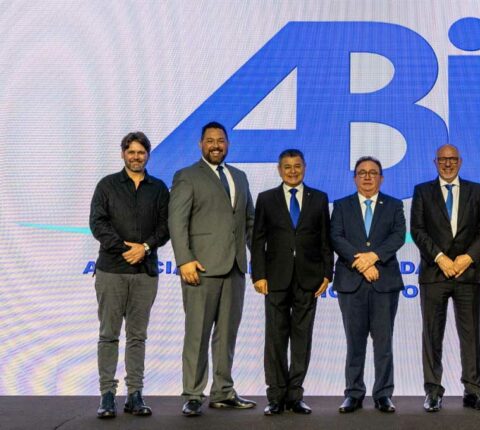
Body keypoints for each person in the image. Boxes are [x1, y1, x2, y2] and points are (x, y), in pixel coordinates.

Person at [168, 121, 256, 417]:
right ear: (200, 144)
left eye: (220, 140)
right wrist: (184, 260)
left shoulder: (240, 177)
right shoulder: (187, 176)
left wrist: (262, 261)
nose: (215, 145)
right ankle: (193, 394)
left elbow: (249, 223)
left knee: (227, 335)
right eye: (210, 140)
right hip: (200, 268)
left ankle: (222, 391)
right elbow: (176, 222)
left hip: (235, 268)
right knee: (198, 333)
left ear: (227, 144)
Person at [89, 131, 169, 418]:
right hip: (112, 270)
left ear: (148, 155)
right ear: (123, 153)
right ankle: (107, 396)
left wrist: (145, 248)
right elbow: (97, 223)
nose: (136, 157)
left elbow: (166, 226)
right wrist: (126, 249)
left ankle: (134, 395)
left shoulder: (159, 188)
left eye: (141, 152)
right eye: (131, 152)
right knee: (108, 335)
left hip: (145, 272)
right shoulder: (107, 186)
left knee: (137, 336)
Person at [411, 144, 480, 412]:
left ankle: (474, 391)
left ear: (461, 161)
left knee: (471, 335)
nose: (448, 164)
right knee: (432, 335)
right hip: (435, 274)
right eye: (443, 160)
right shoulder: (422, 191)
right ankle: (433, 391)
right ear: (435, 162)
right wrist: (441, 258)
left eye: (453, 159)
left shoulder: (476, 190)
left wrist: (467, 258)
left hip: (467, 274)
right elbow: (418, 229)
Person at [251, 149, 333, 416]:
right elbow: (258, 240)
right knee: (275, 338)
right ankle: (275, 396)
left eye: (297, 166)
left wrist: (327, 274)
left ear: (305, 168)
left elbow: (325, 240)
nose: (292, 171)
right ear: (279, 169)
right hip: (275, 279)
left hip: (308, 279)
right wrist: (259, 275)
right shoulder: (266, 199)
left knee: (301, 339)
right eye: (287, 167)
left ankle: (295, 395)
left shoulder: (319, 199)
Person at [331, 156, 406, 414]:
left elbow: (398, 236)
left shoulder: (394, 205)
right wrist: (361, 263)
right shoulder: (341, 206)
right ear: (354, 178)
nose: (367, 177)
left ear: (381, 178)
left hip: (384, 283)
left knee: (383, 342)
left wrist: (373, 257)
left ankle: (383, 394)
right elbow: (336, 237)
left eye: (373, 172)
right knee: (355, 342)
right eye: (361, 172)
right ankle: (353, 393)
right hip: (351, 283)